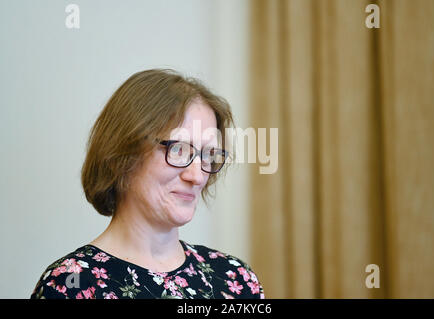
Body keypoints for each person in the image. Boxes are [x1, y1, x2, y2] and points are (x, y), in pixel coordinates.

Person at [30, 69, 264, 299]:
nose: (197, 176)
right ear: (123, 155)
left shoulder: (235, 278)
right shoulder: (69, 285)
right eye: (178, 149)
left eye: (208, 154)